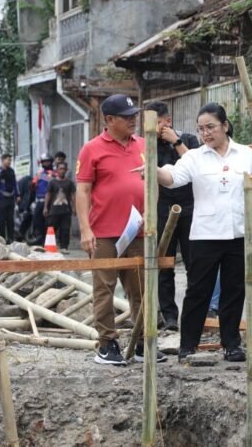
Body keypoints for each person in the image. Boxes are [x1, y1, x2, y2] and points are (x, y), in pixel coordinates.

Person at [155, 102, 252, 363]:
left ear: (225, 126)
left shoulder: (245, 154)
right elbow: (174, 177)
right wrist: (154, 171)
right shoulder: (195, 156)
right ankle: (188, 345)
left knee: (234, 289)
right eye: (201, 129)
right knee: (198, 291)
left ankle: (231, 344)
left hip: (239, 232)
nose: (205, 133)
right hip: (205, 233)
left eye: (211, 127)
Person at [76, 94, 166, 366]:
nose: (133, 120)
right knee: (104, 289)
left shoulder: (143, 144)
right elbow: (82, 190)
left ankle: (142, 343)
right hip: (104, 232)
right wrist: (85, 229)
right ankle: (107, 344)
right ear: (110, 120)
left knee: (141, 289)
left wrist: (151, 212)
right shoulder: (92, 149)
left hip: (138, 230)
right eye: (126, 116)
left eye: (134, 115)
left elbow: (154, 182)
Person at [144, 101, 201, 332]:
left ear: (167, 121)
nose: (155, 129)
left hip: (189, 207)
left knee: (193, 264)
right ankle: (169, 317)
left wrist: (175, 141)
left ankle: (194, 314)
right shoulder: (147, 144)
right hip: (161, 207)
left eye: (158, 123)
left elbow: (197, 166)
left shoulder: (188, 140)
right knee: (163, 264)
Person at [44, 161, 75, 254]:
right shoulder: (52, 182)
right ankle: (50, 246)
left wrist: (74, 207)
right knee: (51, 228)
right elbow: (48, 195)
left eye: (63, 169)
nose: (62, 171)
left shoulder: (69, 183)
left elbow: (73, 195)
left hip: (66, 211)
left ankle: (64, 247)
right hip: (54, 211)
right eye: (60, 169)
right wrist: (45, 207)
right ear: (57, 170)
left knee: (65, 230)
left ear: (66, 170)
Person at [0, 154, 20, 243]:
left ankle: (11, 238)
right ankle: (2, 238)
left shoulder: (11, 171)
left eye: (10, 160)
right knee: (2, 220)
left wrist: (18, 195)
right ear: (3, 160)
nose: (9, 162)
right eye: (8, 160)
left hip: (10, 199)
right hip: (1, 199)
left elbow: (15, 184)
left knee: (10, 219)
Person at [30, 154, 56, 245]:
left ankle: (49, 240)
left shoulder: (55, 174)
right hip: (40, 201)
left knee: (50, 222)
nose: (46, 163)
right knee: (37, 221)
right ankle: (41, 238)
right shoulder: (39, 174)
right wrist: (32, 185)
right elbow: (33, 186)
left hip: (51, 202)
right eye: (44, 162)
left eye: (47, 161)